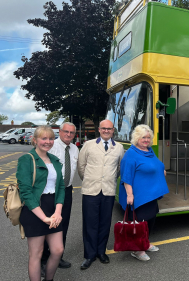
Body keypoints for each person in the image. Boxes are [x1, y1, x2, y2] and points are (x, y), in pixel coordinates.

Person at [16, 126, 65, 281]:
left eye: (51, 138)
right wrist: (44, 218)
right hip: (34, 209)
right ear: (35, 140)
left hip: (53, 206)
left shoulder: (55, 160)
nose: (48, 142)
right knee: (36, 254)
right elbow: (26, 192)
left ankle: (49, 279)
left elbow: (61, 187)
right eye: (44, 138)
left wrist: (57, 212)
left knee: (57, 250)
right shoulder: (26, 159)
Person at [78, 120, 124, 269]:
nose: (106, 130)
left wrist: (108, 179)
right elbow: (81, 166)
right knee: (90, 224)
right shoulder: (88, 145)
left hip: (108, 190)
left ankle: (101, 252)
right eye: (103, 128)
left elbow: (119, 168)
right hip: (90, 190)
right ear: (99, 129)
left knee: (105, 222)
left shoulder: (119, 147)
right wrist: (91, 179)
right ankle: (89, 255)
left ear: (113, 130)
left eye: (109, 129)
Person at [119, 124, 169, 261]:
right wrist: (129, 195)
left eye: (148, 137)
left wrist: (161, 170)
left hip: (150, 195)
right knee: (139, 223)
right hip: (138, 196)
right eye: (143, 137)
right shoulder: (131, 154)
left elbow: (155, 165)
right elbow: (126, 177)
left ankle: (145, 243)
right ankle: (137, 250)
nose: (146, 140)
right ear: (136, 138)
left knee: (150, 220)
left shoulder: (149, 151)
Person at [41, 122, 79, 273]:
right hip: (50, 192)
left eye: (71, 132)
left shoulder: (75, 148)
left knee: (63, 224)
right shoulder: (51, 146)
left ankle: (57, 256)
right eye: (66, 132)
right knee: (48, 225)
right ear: (60, 131)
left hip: (67, 191)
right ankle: (43, 260)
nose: (68, 135)